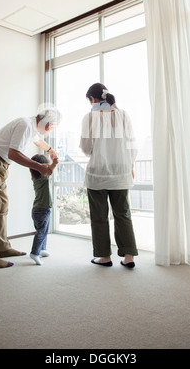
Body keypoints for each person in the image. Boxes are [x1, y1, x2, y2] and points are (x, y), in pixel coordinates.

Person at [0, 107, 61, 269]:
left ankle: (2, 247)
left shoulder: (31, 127)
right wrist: (40, 166)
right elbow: (14, 153)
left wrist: (51, 150)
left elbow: (38, 141)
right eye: (52, 129)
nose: (48, 132)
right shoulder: (25, 125)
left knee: (2, 206)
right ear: (48, 126)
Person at [80, 83, 138, 268]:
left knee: (99, 216)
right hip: (121, 171)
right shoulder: (124, 115)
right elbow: (132, 145)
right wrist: (130, 164)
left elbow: (87, 148)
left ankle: (104, 257)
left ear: (93, 99)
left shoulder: (89, 117)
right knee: (123, 214)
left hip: (98, 172)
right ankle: (129, 256)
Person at [29, 154, 58, 265]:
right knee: (41, 232)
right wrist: (54, 162)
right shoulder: (42, 177)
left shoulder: (35, 177)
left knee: (44, 231)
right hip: (41, 210)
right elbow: (49, 169)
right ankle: (35, 253)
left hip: (39, 210)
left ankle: (42, 249)